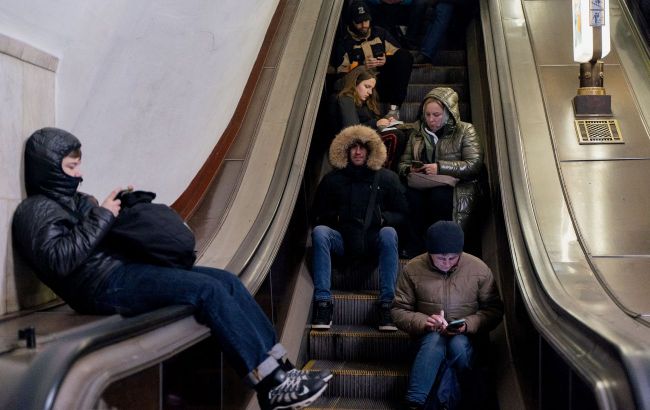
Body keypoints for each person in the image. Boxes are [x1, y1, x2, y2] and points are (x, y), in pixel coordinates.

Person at [11, 127, 330, 410]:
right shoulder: (35, 211)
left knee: (227, 281)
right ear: (49, 168)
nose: (79, 173)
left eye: (78, 165)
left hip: (124, 270)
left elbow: (98, 235)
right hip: (102, 285)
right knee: (207, 290)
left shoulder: (78, 200)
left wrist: (124, 209)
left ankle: (283, 370)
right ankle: (270, 385)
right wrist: (102, 215)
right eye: (71, 166)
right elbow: (58, 260)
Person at [391, 221, 503, 409]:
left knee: (457, 345)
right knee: (435, 340)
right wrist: (425, 321)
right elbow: (398, 310)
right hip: (427, 337)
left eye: (452, 258)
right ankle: (415, 402)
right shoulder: (413, 269)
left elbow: (494, 310)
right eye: (441, 258)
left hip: (466, 337)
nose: (447, 263)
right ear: (429, 254)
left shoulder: (479, 269)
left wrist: (467, 324)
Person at [310, 124, 407, 331]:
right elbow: (317, 215)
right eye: (353, 147)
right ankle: (323, 302)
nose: (357, 151)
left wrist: (383, 218)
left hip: (373, 240)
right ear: (345, 150)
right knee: (320, 233)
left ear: (370, 150)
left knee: (389, 233)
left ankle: (387, 303)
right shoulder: (332, 180)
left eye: (362, 147)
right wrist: (337, 217)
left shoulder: (387, 178)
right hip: (343, 239)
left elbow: (403, 214)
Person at [398, 87, 483, 256]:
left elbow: (474, 165)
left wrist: (440, 167)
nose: (431, 119)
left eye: (436, 115)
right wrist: (409, 169)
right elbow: (402, 163)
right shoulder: (417, 133)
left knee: (439, 198)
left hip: (455, 184)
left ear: (448, 113)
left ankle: (440, 248)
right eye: (427, 114)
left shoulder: (465, 130)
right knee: (410, 198)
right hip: (423, 182)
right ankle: (416, 249)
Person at [333, 0, 413, 119]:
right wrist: (362, 67)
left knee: (405, 56)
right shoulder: (345, 43)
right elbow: (340, 79)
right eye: (359, 22)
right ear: (352, 22)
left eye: (366, 20)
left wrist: (386, 60)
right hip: (363, 86)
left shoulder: (380, 33)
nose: (364, 25)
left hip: (383, 81)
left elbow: (400, 54)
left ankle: (394, 109)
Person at [334, 66, 407, 171]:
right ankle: (386, 172)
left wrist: (385, 121)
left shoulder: (364, 101)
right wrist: (376, 123)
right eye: (367, 86)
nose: (370, 92)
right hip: (352, 143)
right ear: (354, 83)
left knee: (405, 130)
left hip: (366, 136)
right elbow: (352, 130)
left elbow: (367, 121)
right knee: (396, 135)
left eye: (371, 88)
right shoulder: (345, 98)